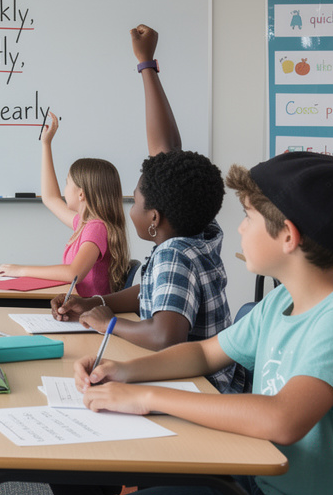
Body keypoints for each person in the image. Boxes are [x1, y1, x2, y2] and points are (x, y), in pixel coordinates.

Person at [86, 151, 333, 495]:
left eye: (248, 217)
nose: (239, 228)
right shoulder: (281, 300)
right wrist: (124, 371)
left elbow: (283, 419)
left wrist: (146, 397)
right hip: (259, 476)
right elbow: (204, 352)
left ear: (287, 236)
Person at [52, 25, 237, 393]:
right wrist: (91, 303)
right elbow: (150, 293)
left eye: (135, 201)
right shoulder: (197, 231)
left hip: (200, 386)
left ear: (155, 218)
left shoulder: (174, 255)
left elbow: (166, 336)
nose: (130, 207)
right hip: (199, 378)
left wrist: (108, 323)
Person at [0, 113, 130, 297]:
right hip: (79, 306)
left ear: (81, 194)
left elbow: (73, 273)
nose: (64, 189)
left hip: (86, 311)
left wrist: (21, 270)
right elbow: (50, 198)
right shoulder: (83, 224)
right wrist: (46, 144)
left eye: (67, 183)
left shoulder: (96, 228)